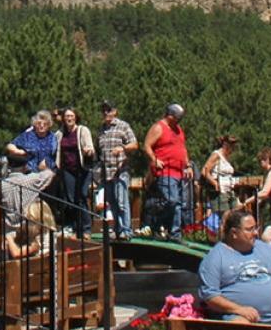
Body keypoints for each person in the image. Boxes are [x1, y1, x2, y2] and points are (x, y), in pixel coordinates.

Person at [195, 206, 271, 328]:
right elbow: (209, 295)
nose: (256, 233)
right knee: (241, 327)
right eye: (249, 229)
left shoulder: (264, 248)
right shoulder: (215, 257)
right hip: (239, 317)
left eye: (256, 228)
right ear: (234, 233)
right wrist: (239, 309)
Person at [143, 103, 190, 238]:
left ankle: (174, 233)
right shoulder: (159, 127)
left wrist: (188, 165)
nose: (179, 120)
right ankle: (157, 224)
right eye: (177, 117)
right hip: (165, 171)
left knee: (178, 203)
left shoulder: (178, 130)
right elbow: (147, 145)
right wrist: (154, 159)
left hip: (179, 171)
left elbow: (183, 148)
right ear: (170, 116)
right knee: (172, 200)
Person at [2, 110, 60, 219]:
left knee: (48, 202)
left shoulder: (53, 137)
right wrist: (18, 152)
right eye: (39, 123)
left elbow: (55, 154)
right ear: (35, 124)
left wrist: (46, 163)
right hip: (29, 174)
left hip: (47, 174)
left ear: (49, 125)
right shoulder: (27, 135)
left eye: (45, 124)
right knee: (31, 202)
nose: (42, 126)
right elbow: (10, 145)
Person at [96, 102, 139, 239]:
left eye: (108, 110)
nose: (106, 113)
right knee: (112, 202)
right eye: (103, 110)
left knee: (122, 201)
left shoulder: (123, 126)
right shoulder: (101, 130)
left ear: (114, 111)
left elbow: (135, 144)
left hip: (120, 169)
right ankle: (116, 229)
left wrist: (123, 148)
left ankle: (126, 230)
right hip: (106, 171)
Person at [55, 110, 95, 237]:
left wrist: (88, 151)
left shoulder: (82, 130)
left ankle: (86, 228)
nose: (69, 118)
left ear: (76, 117)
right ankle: (74, 227)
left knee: (82, 197)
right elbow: (55, 150)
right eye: (67, 116)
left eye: (71, 116)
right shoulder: (59, 133)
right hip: (67, 169)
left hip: (82, 168)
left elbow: (90, 147)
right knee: (70, 199)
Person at [201, 135, 239, 215]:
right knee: (225, 216)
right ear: (225, 144)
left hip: (229, 190)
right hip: (220, 191)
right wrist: (215, 183)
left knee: (234, 214)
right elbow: (204, 171)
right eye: (231, 144)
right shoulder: (216, 155)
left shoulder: (228, 158)